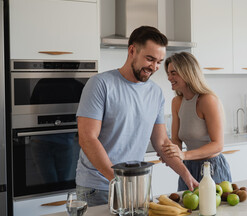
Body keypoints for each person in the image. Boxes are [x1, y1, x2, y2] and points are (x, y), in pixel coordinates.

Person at [75, 26, 198, 206]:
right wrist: (118, 181)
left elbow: (162, 143)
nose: (154, 67)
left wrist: (186, 175)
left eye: (159, 62)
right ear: (132, 50)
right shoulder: (100, 84)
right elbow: (87, 138)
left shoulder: (155, 92)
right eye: (150, 59)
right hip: (99, 187)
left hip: (137, 186)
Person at [163, 52, 232, 191]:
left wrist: (184, 154)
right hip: (188, 168)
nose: (169, 77)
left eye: (173, 73)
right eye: (168, 73)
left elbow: (218, 144)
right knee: (186, 211)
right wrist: (170, 153)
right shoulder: (176, 102)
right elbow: (176, 139)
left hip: (212, 168)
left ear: (187, 73)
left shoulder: (208, 100)